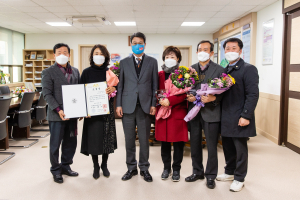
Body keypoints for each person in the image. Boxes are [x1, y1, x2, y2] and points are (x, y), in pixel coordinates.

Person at [216, 38, 259, 192]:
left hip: (240, 115)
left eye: (234, 48)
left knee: (240, 148)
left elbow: (253, 94)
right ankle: (229, 172)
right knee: (227, 146)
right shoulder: (225, 69)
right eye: (227, 48)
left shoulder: (248, 69)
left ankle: (239, 178)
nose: (230, 51)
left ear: (240, 51)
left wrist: (246, 115)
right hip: (226, 115)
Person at [116, 32, 158, 182]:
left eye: (140, 43)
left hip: (145, 106)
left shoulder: (152, 62)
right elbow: (120, 85)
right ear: (131, 44)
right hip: (127, 106)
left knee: (144, 140)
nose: (137, 45)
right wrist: (118, 104)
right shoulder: (124, 63)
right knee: (129, 139)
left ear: (144, 45)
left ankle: (144, 168)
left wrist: (154, 103)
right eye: (134, 43)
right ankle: (131, 168)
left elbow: (155, 85)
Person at [186, 40, 225, 189]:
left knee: (211, 146)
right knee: (194, 144)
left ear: (211, 53)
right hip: (194, 112)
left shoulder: (220, 70)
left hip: (211, 112)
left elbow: (225, 92)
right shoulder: (190, 69)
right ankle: (197, 172)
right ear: (197, 52)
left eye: (206, 49)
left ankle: (210, 176)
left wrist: (214, 98)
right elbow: (188, 87)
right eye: (200, 49)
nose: (202, 52)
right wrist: (189, 95)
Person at [42, 43, 80, 184]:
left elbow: (79, 91)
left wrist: (81, 109)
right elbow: (47, 94)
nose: (62, 55)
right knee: (55, 143)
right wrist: (58, 109)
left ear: (69, 55)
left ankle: (66, 166)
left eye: (65, 52)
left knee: (71, 141)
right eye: (59, 52)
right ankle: (56, 170)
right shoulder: (48, 72)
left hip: (73, 113)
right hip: (57, 114)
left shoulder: (75, 71)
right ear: (54, 55)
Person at [80, 44, 118, 179]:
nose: (99, 56)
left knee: (107, 138)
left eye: (101, 54)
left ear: (106, 56)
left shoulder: (110, 73)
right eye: (96, 53)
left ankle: (104, 165)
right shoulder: (86, 72)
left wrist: (113, 89)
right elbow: (81, 92)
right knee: (93, 139)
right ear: (92, 56)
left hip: (106, 111)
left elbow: (117, 89)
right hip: (91, 112)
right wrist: (83, 110)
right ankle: (95, 165)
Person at [155, 46, 188, 182]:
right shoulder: (160, 75)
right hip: (163, 112)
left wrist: (170, 100)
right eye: (167, 57)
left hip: (177, 112)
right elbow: (155, 90)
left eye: (173, 57)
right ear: (164, 58)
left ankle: (177, 170)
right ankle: (166, 168)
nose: (170, 59)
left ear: (178, 59)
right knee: (165, 144)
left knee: (178, 144)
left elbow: (184, 93)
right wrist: (162, 100)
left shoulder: (184, 74)